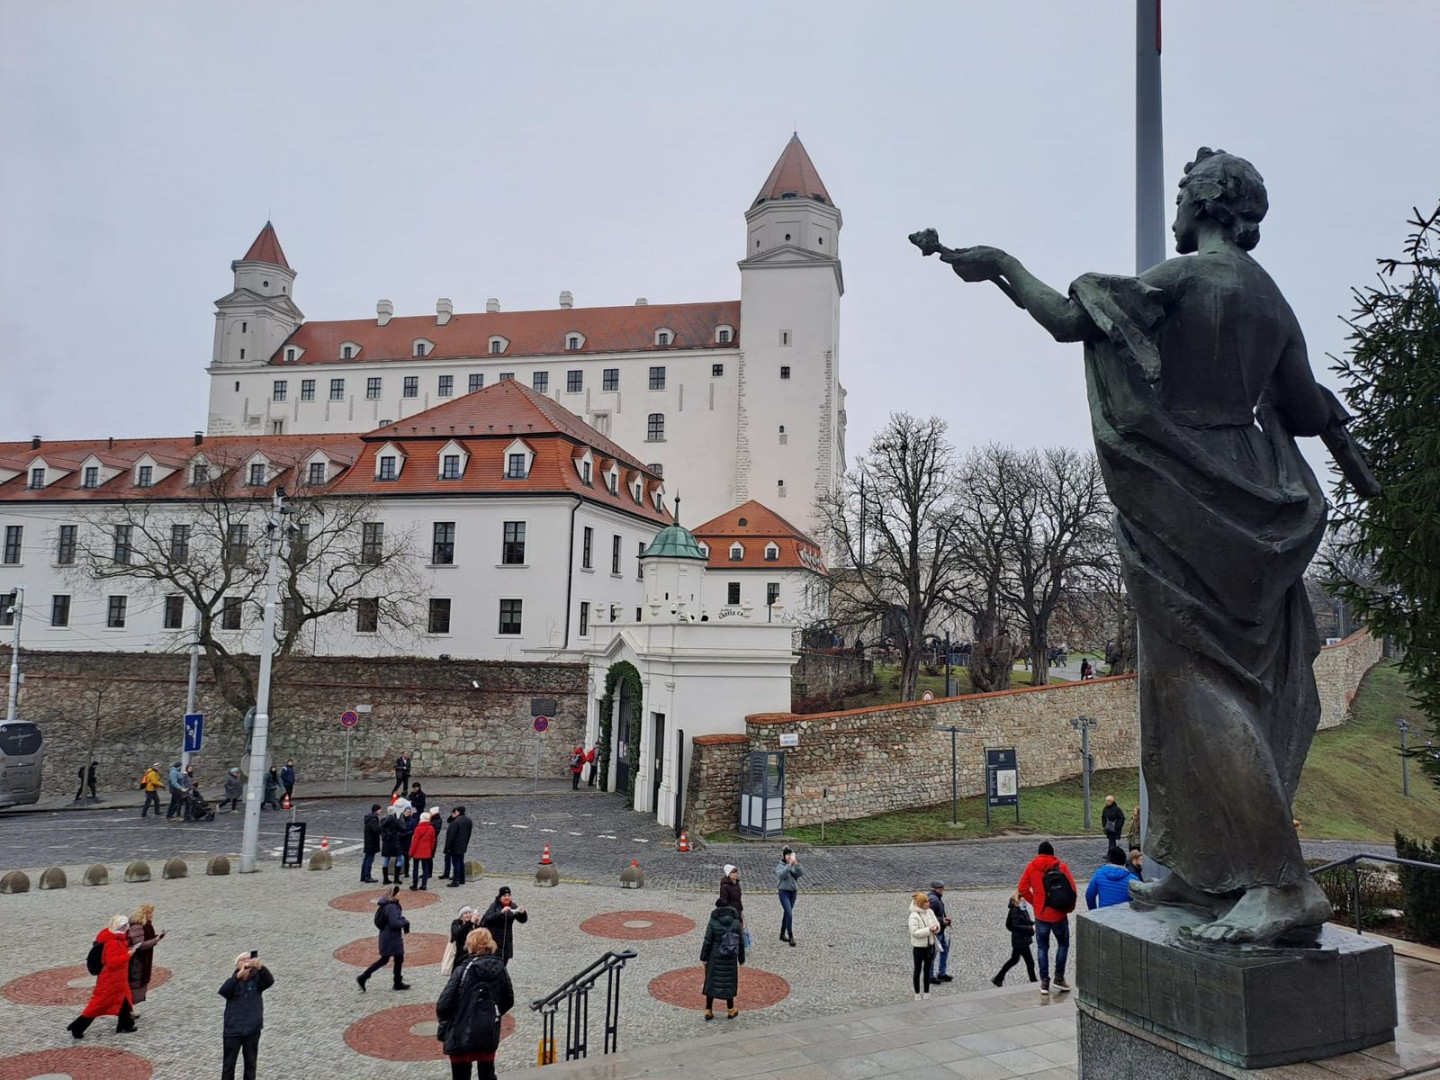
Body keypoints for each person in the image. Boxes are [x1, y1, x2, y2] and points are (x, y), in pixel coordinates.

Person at [924, 146, 1367, 946]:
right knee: (1186, 686)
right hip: (1254, 490)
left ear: (1211, 203)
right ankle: (1208, 871)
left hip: (1186, 490)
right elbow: (1303, 409)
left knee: (1198, 687)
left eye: (1187, 190)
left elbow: (1071, 321)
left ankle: (1282, 881)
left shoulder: (1187, 278)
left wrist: (1001, 267)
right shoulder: (1271, 299)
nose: (1177, 203)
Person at [437, 927, 515, 1080]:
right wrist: (491, 1012)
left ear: (470, 945)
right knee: (487, 1073)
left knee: (461, 1075)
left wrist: (448, 1018)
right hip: (487, 1030)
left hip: (461, 1031)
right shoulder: (500, 969)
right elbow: (508, 1000)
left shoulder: (463, 969)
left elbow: (444, 1004)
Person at [1017, 841, 1077, 995]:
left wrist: (1035, 902)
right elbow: (1072, 890)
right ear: (1052, 853)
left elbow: (1022, 888)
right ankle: (1059, 978)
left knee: (1042, 948)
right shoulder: (1061, 867)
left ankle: (1044, 982)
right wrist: (1069, 908)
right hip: (1059, 914)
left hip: (1041, 915)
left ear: (1038, 853)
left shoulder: (1031, 867)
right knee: (1063, 944)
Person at [68, 915, 137, 1038]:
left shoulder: (118, 939)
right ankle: (77, 1026)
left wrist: (127, 951)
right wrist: (128, 955)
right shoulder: (113, 942)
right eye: (125, 925)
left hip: (118, 978)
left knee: (124, 1000)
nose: (127, 927)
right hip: (111, 979)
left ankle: (125, 1024)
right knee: (99, 1005)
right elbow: (112, 962)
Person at [219, 952, 273, 1080]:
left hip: (252, 1029)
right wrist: (238, 976)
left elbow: (269, 981)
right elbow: (224, 991)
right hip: (233, 1030)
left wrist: (261, 968)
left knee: (250, 1064)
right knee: (228, 1065)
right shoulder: (233, 981)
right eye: (244, 959)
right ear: (237, 965)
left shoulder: (257, 980)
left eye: (249, 959)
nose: (247, 961)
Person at [699, 898, 745, 1020]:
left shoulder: (713, 921)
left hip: (715, 956)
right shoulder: (735, 922)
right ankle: (731, 1010)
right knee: (729, 982)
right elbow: (741, 942)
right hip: (730, 957)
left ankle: (708, 1010)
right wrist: (741, 959)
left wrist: (703, 957)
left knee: (711, 982)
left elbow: (707, 940)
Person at [358, 885, 410, 991]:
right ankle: (364, 977)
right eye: (398, 892)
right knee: (389, 959)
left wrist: (402, 919)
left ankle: (365, 977)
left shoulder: (389, 904)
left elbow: (395, 918)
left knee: (395, 958)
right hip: (391, 938)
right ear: (394, 895)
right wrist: (405, 922)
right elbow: (395, 923)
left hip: (388, 936)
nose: (400, 894)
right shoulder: (391, 907)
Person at [992, 894, 1038, 986]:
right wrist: (1030, 928)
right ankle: (1033, 982)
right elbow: (1015, 926)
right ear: (1016, 902)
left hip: (1021, 940)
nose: (1024, 903)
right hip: (1020, 941)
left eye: (1025, 901)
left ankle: (999, 978)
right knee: (1029, 962)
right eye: (1022, 901)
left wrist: (1035, 923)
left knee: (1014, 960)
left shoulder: (1022, 910)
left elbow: (1026, 921)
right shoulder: (1015, 911)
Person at [125, 902, 164, 1009]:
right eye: (151, 913)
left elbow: (144, 938)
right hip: (137, 961)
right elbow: (140, 945)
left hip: (141, 960)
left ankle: (128, 1009)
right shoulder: (138, 926)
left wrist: (157, 937)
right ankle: (127, 1009)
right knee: (134, 984)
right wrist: (155, 940)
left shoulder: (144, 924)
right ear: (145, 914)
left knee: (136, 985)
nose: (152, 915)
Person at [479, 886, 528, 967]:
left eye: (508, 895)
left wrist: (522, 913)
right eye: (504, 895)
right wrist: (501, 913)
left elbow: (522, 920)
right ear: (500, 897)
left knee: (503, 967)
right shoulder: (494, 906)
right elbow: (486, 921)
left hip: (506, 943)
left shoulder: (513, 906)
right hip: (494, 942)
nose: (507, 897)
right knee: (493, 967)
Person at [908, 892, 941, 1002]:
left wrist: (936, 928)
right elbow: (914, 932)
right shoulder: (914, 916)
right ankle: (917, 993)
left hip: (930, 946)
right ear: (920, 903)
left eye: (927, 901)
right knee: (917, 970)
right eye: (925, 901)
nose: (928, 903)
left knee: (927, 970)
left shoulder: (930, 912)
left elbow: (937, 924)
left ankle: (927, 992)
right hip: (919, 947)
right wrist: (929, 930)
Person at [775, 846, 803, 946]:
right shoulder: (780, 866)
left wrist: (797, 864)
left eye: (790, 854)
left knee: (787, 912)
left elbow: (800, 873)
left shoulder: (794, 864)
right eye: (787, 855)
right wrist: (789, 865)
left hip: (793, 892)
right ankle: (791, 936)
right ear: (784, 856)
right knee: (789, 913)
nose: (789, 856)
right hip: (783, 892)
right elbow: (782, 875)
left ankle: (782, 933)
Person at [927, 881, 953, 984]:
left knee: (944, 950)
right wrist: (942, 920)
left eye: (942, 888)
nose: (942, 890)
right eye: (940, 888)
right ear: (935, 889)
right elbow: (929, 916)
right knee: (933, 954)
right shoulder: (933, 899)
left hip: (940, 930)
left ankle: (942, 973)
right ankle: (930, 976)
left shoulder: (935, 897)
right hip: (936, 931)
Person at [445, 806, 474, 887]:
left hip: (455, 846)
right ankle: (462, 879)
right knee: (461, 861)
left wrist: (447, 848)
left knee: (456, 863)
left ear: (458, 812)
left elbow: (451, 836)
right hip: (463, 844)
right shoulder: (468, 820)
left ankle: (456, 880)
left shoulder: (455, 822)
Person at [410, 809, 438, 891]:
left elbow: (414, 842)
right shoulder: (431, 828)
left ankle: (415, 884)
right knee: (425, 868)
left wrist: (411, 853)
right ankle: (424, 884)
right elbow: (433, 841)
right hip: (426, 852)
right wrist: (430, 850)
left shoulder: (418, 828)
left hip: (417, 852)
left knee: (415, 868)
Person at [379, 805, 405, 885]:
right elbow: (402, 829)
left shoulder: (383, 820)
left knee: (386, 860)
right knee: (400, 859)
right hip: (394, 842)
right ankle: (396, 879)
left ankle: (385, 879)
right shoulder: (395, 821)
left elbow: (380, 830)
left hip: (386, 843)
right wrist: (402, 821)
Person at [361, 803, 382, 883]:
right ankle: (367, 876)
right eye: (380, 809)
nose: (381, 811)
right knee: (369, 859)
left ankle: (363, 876)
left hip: (368, 842)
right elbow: (376, 830)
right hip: (372, 842)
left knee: (366, 858)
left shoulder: (369, 818)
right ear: (376, 810)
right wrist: (382, 827)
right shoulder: (373, 819)